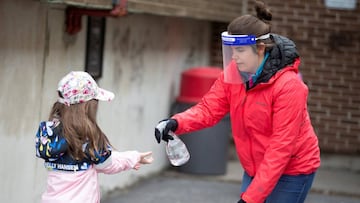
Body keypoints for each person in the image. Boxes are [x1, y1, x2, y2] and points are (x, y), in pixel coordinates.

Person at [154, 1, 320, 203]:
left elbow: (281, 147)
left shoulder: (289, 86)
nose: (234, 57)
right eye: (231, 49)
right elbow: (209, 109)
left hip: (292, 170)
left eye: (240, 50)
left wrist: (251, 198)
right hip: (255, 167)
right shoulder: (234, 73)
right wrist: (176, 122)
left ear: (260, 48)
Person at [35, 71, 154, 203]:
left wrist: (131, 157)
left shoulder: (49, 133)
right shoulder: (87, 136)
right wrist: (133, 157)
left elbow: (98, 160)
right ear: (86, 107)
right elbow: (107, 164)